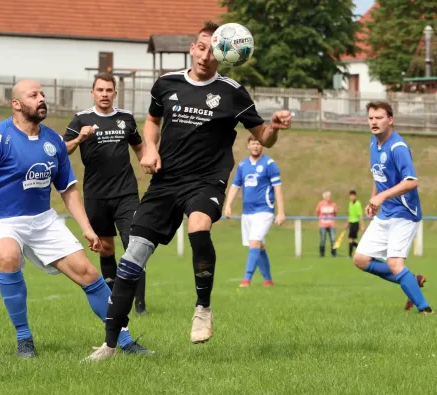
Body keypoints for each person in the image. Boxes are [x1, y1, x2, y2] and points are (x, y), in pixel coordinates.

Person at [84, 20, 291, 361]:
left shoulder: (233, 92)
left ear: (224, 55)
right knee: (133, 254)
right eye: (201, 46)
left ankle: (203, 308)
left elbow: (263, 137)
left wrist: (276, 128)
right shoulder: (166, 84)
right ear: (192, 48)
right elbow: (152, 120)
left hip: (207, 180)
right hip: (166, 181)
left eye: (213, 49)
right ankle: (110, 344)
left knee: (198, 226)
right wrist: (150, 149)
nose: (205, 54)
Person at [0, 79, 151, 358]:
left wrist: (87, 229)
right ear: (16, 104)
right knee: (9, 256)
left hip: (43, 221)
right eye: (33, 95)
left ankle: (125, 340)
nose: (41, 99)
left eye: (43, 94)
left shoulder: (54, 141)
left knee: (88, 273)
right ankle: (24, 339)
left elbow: (68, 189)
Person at [63, 73, 148, 316]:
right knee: (106, 248)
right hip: (96, 196)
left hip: (126, 193)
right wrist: (80, 138)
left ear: (114, 93)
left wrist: (147, 163)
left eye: (108, 90)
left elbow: (139, 146)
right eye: (100, 90)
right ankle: (112, 302)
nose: (104, 94)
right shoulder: (81, 119)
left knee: (135, 246)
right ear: (93, 93)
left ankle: (140, 306)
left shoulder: (126, 118)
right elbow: (62, 149)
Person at [352, 100, 431, 314]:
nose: (374, 122)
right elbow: (379, 176)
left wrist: (381, 197)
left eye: (379, 118)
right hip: (386, 211)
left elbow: (411, 181)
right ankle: (411, 281)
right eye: (371, 118)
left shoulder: (398, 147)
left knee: (395, 264)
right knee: (360, 259)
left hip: (405, 213)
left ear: (390, 119)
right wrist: (373, 199)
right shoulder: (373, 143)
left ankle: (426, 310)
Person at [224, 135, 285, 287]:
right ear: (248, 146)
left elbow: (278, 189)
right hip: (248, 213)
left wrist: (281, 211)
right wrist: (228, 205)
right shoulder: (243, 165)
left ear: (262, 145)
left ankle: (246, 279)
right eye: (253, 143)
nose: (256, 146)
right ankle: (268, 280)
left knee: (255, 242)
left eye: (258, 143)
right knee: (259, 245)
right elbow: (235, 186)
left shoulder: (270, 164)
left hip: (264, 211)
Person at [316, 191, 337, 257]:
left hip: (331, 225)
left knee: (333, 239)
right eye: (327, 196)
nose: (329, 198)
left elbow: (335, 213)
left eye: (330, 196)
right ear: (324, 197)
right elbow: (317, 212)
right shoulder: (320, 204)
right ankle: (322, 253)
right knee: (322, 239)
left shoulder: (333, 205)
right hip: (323, 225)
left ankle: (334, 253)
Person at [346, 190, 364, 258]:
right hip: (351, 223)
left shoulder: (358, 204)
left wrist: (362, 226)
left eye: (353, 196)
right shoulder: (350, 204)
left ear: (355, 196)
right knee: (350, 240)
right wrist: (347, 223)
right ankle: (357, 251)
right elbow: (349, 215)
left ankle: (355, 253)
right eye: (350, 196)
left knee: (350, 240)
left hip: (356, 223)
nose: (352, 197)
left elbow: (360, 215)